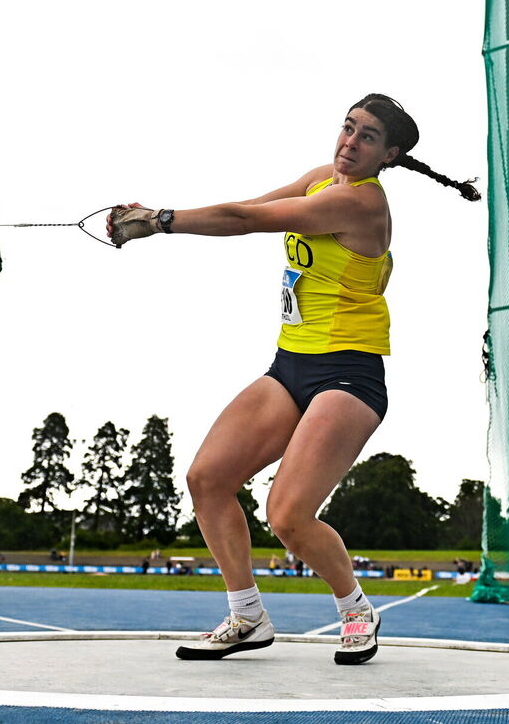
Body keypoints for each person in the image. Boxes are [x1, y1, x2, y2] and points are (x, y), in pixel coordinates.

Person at [107, 94, 479, 665]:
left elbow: (247, 222)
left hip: (349, 374)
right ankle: (247, 615)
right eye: (348, 128)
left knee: (286, 514)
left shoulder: (360, 205)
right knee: (207, 479)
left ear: (390, 155)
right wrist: (158, 212)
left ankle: (355, 609)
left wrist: (160, 222)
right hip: (289, 365)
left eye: (368, 137)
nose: (350, 143)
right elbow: (249, 205)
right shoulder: (320, 180)